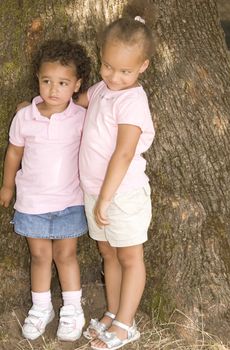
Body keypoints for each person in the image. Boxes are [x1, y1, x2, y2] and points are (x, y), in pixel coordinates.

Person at [0, 39, 91, 342]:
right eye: (47, 81)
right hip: (32, 201)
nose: (54, 89)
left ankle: (73, 309)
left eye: (63, 83)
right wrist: (7, 185)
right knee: (39, 256)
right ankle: (41, 309)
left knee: (66, 255)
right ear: (37, 79)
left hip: (70, 200)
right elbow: (14, 152)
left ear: (77, 84)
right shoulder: (26, 116)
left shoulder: (81, 117)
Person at [78, 12, 155, 350]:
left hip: (120, 195)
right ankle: (113, 310)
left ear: (143, 66)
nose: (114, 76)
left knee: (129, 257)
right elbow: (81, 102)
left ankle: (126, 323)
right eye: (108, 66)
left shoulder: (132, 101)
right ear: (101, 57)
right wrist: (42, 105)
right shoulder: (102, 88)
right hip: (96, 191)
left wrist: (106, 198)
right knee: (107, 253)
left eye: (125, 70)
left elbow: (123, 154)